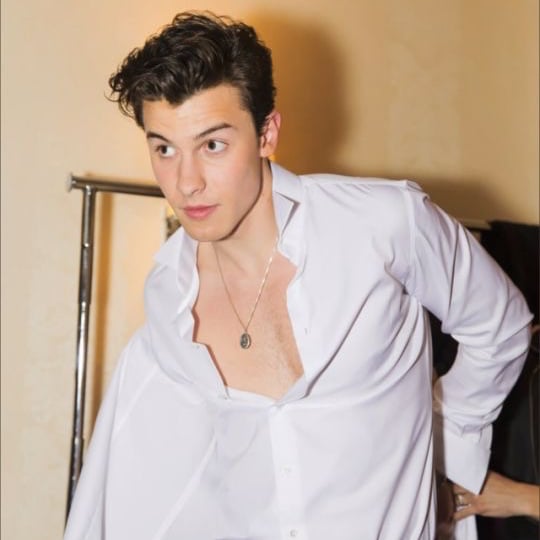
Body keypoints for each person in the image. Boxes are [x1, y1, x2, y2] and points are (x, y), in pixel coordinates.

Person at [63, 12, 533, 540]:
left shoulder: (384, 226)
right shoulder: (167, 297)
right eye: (164, 149)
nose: (186, 182)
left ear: (266, 133)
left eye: (212, 145)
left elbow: (500, 326)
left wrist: (448, 442)